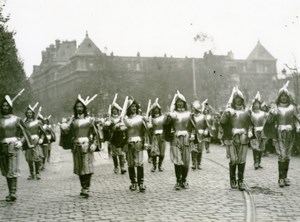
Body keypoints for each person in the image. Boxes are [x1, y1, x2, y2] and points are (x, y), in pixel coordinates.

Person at [60, 94, 101, 197]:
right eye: (77, 107)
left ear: (84, 108)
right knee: (80, 168)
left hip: (87, 145)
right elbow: (66, 132)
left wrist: (94, 144)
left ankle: (87, 187)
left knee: (88, 167)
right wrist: (65, 124)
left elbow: (96, 134)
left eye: (81, 107)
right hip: (76, 146)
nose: (79, 109)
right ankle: (83, 187)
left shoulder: (90, 120)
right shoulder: (72, 120)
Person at [264, 81, 300, 187]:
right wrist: (271, 113)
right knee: (282, 155)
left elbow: (296, 120)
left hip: (290, 133)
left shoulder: (292, 108)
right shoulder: (276, 108)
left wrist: (298, 127)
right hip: (279, 133)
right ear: (279, 97)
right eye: (282, 96)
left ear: (288, 97)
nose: (283, 97)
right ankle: (280, 178)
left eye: (285, 96)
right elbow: (270, 121)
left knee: (287, 156)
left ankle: (285, 177)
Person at [0, 91, 32, 202]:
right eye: (3, 105)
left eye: (7, 106)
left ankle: (13, 193)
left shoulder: (16, 119)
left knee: (12, 171)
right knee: (6, 171)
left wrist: (21, 142)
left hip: (13, 146)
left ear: (10, 107)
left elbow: (25, 132)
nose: (5, 107)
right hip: (2, 148)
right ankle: (10, 192)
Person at [220, 86, 252, 191]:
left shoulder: (247, 111)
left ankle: (241, 181)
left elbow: (251, 124)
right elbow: (222, 122)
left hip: (243, 137)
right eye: (236, 98)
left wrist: (250, 132)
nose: (238, 100)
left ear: (242, 100)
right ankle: (232, 179)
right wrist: (226, 114)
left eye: (240, 99)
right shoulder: (229, 111)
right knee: (233, 160)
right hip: (231, 137)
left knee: (242, 160)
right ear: (233, 100)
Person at [166, 91, 193, 190]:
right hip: (175, 138)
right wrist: (168, 117)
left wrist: (193, 135)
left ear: (184, 103)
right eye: (178, 102)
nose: (180, 103)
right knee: (177, 160)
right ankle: (178, 180)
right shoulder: (173, 114)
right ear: (175, 103)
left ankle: (184, 180)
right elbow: (166, 125)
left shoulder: (189, 114)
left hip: (186, 138)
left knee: (186, 161)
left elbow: (193, 127)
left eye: (182, 102)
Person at [123, 96, 148, 192]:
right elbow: (120, 133)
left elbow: (145, 132)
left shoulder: (141, 118)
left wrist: (146, 142)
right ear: (128, 108)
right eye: (132, 106)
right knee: (130, 164)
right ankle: (133, 182)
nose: (134, 108)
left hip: (139, 142)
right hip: (128, 143)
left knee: (140, 163)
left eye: (135, 106)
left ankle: (141, 183)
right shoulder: (124, 119)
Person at [103, 94, 127, 174]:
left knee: (120, 153)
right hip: (112, 137)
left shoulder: (121, 118)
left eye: (115, 109)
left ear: (118, 110)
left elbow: (125, 127)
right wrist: (106, 125)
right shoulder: (109, 118)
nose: (114, 111)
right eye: (113, 109)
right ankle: (116, 166)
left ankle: (122, 166)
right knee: (114, 154)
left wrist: (120, 127)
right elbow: (105, 129)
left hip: (120, 137)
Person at [24, 103, 45, 180]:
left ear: (33, 114)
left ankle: (37, 173)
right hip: (28, 142)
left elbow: (43, 132)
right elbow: (23, 133)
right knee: (29, 159)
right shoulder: (25, 123)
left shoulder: (38, 122)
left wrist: (41, 139)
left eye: (30, 113)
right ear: (26, 114)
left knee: (36, 158)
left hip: (36, 142)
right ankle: (31, 173)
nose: (29, 114)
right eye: (28, 113)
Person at [249, 92, 268, 170]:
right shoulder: (251, 114)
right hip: (254, 131)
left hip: (262, 132)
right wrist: (249, 131)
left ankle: (259, 162)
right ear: (253, 105)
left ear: (260, 105)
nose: (256, 105)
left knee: (261, 148)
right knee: (255, 148)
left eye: (257, 104)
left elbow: (267, 122)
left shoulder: (264, 113)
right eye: (255, 104)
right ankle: (255, 162)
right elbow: (249, 123)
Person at [148, 98, 166, 172]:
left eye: (157, 108)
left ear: (159, 109)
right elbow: (148, 129)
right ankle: (154, 166)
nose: (156, 110)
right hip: (154, 136)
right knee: (154, 152)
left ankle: (160, 165)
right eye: (154, 109)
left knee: (162, 153)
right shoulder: (151, 119)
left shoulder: (163, 117)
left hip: (162, 136)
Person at [190, 99, 209, 170]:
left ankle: (199, 163)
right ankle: (194, 163)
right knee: (193, 150)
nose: (194, 110)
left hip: (201, 135)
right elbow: (189, 127)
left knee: (200, 150)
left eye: (195, 109)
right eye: (193, 109)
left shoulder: (203, 117)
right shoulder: (191, 117)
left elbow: (207, 126)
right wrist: (190, 133)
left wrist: (206, 131)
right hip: (194, 134)